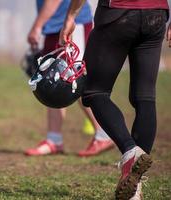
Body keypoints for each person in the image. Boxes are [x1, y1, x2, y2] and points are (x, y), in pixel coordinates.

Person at [60, 0, 170, 199]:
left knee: (94, 92)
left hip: (118, 11)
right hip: (156, 13)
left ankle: (130, 151)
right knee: (145, 98)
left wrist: (70, 16)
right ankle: (134, 186)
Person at [24, 0, 114, 157]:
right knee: (51, 81)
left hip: (72, 25)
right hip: (54, 26)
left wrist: (37, 26)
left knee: (73, 81)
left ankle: (103, 134)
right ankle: (54, 139)